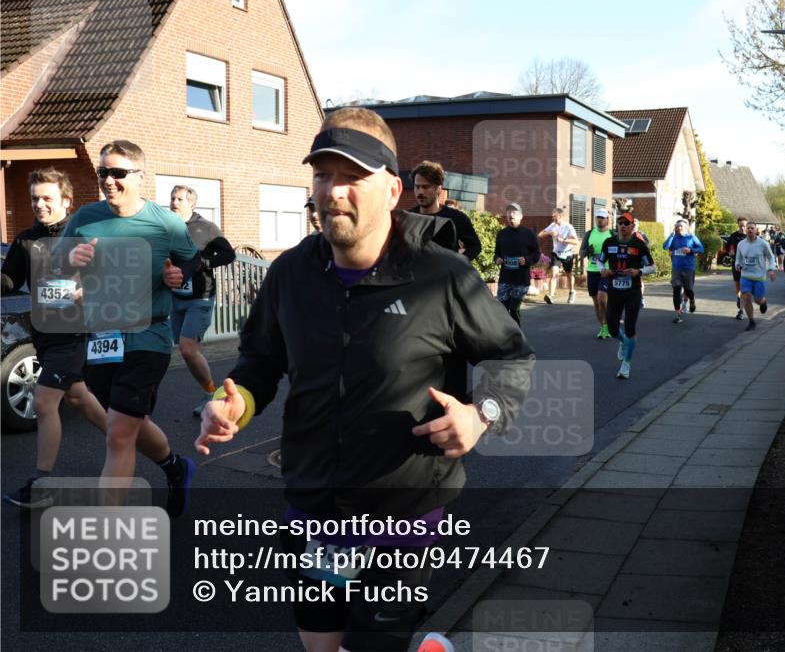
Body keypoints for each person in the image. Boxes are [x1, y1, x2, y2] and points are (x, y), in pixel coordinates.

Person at [195, 108, 534, 652]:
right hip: (314, 505)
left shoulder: (442, 275)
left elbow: (511, 358)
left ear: (394, 190)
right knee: (321, 644)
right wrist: (231, 403)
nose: (333, 191)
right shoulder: (290, 274)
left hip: (403, 512)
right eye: (323, 175)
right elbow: (259, 364)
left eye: (352, 176)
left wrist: (482, 415)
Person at [1, 169, 158, 508]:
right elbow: (10, 280)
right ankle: (126, 438)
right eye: (34, 198)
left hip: (76, 333)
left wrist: (83, 292)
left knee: (44, 403)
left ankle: (41, 484)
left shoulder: (85, 236)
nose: (39, 205)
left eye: (47, 198)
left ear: (66, 201)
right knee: (78, 397)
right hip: (44, 334)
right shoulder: (27, 240)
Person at [60, 140, 200, 515]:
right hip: (101, 336)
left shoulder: (165, 222)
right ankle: (176, 466)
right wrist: (72, 262)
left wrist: (178, 273)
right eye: (103, 172)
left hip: (148, 336)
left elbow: (193, 264)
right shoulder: (85, 219)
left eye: (118, 173)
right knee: (127, 423)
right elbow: (55, 272)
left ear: (140, 176)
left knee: (119, 433)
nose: (109, 180)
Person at [166, 184, 235, 415]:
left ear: (192, 204)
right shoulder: (166, 226)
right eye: (173, 198)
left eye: (180, 199)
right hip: (176, 298)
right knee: (184, 348)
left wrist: (203, 264)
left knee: (187, 349)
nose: (174, 203)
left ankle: (213, 395)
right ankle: (211, 392)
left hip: (201, 298)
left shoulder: (206, 228)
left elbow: (229, 254)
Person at [599, 211, 655, 380]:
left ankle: (626, 364)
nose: (623, 226)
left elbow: (652, 267)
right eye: (620, 223)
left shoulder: (639, 245)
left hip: (633, 291)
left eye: (626, 223)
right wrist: (603, 269)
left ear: (632, 226)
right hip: (614, 290)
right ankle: (623, 341)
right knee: (612, 328)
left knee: (630, 328)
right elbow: (600, 260)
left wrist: (638, 271)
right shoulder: (609, 243)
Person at [408, 160, 481, 261]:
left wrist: (457, 263)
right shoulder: (408, 218)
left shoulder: (457, 217)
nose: (420, 192)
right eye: (417, 187)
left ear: (438, 188)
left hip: (446, 275)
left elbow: (475, 246)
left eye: (426, 187)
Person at [493, 202, 540, 325]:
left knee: (513, 309)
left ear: (521, 216)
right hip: (505, 278)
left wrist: (527, 260)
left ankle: (516, 334)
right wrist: (497, 259)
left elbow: (536, 254)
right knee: (501, 310)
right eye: (509, 212)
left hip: (521, 279)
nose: (511, 214)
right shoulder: (501, 234)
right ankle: (505, 335)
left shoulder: (528, 234)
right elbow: (496, 253)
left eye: (514, 212)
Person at [735, 222, 778, 332]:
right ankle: (751, 321)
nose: (750, 230)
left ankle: (763, 302)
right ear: (746, 230)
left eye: (752, 228)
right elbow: (738, 259)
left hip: (759, 277)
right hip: (745, 276)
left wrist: (771, 269)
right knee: (745, 297)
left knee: (758, 299)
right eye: (748, 228)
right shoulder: (741, 244)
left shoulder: (763, 244)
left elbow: (771, 257)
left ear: (756, 230)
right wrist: (737, 265)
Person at [579, 207, 614, 338]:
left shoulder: (612, 234)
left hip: (606, 271)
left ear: (607, 220)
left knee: (602, 297)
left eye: (602, 218)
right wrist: (588, 250)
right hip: (592, 271)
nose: (599, 220)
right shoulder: (589, 234)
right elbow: (581, 254)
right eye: (598, 218)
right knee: (596, 301)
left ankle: (609, 322)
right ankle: (604, 327)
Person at [663, 218, 704, 324]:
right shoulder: (674, 237)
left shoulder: (691, 237)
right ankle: (678, 314)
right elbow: (665, 246)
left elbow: (701, 248)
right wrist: (671, 235)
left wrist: (691, 250)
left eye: (681, 226)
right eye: (677, 226)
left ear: (686, 228)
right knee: (676, 290)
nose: (679, 228)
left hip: (688, 268)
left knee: (688, 289)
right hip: (676, 268)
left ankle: (692, 300)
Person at [538, 206, 579, 304]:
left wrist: (564, 240)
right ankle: (551, 296)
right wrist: (550, 232)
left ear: (560, 216)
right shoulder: (552, 225)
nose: (553, 218)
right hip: (556, 253)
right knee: (554, 274)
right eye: (552, 216)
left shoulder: (568, 227)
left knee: (569, 274)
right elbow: (540, 234)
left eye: (554, 216)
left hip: (567, 254)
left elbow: (576, 241)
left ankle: (572, 292)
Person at [726, 217, 749, 319]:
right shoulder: (734, 236)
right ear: (738, 225)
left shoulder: (750, 236)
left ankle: (741, 311)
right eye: (741, 225)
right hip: (736, 264)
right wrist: (730, 251)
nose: (743, 228)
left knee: (745, 287)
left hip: (748, 266)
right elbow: (729, 246)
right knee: (738, 286)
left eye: (744, 225)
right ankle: (739, 298)